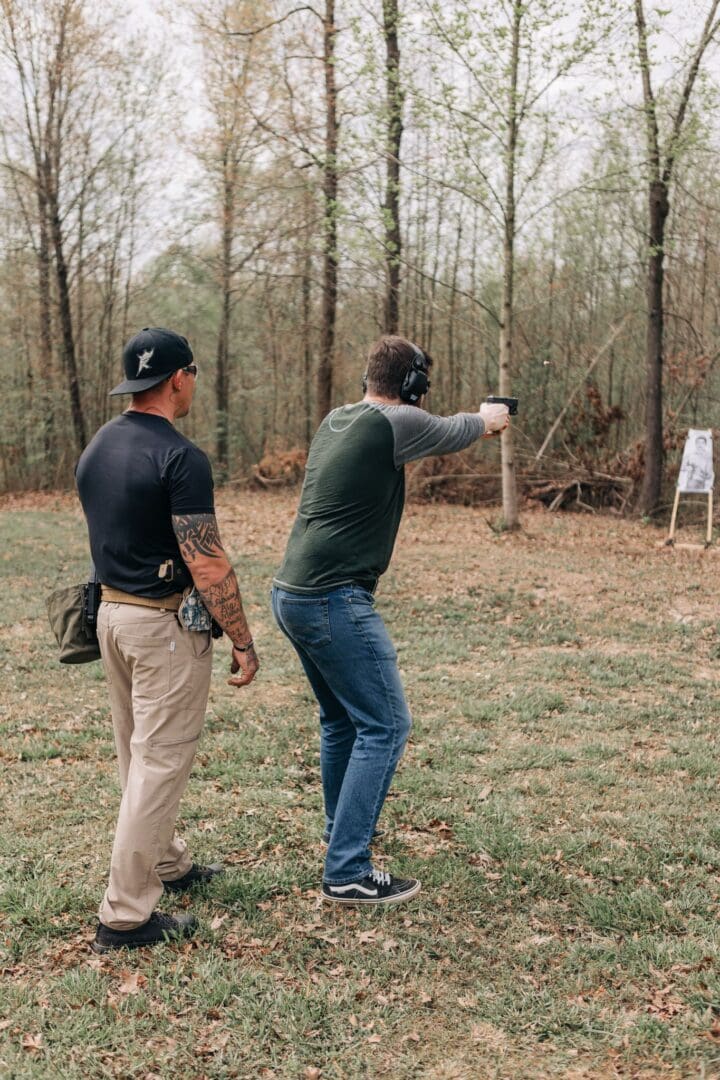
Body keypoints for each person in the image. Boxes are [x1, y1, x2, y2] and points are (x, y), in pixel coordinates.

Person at [271, 335, 509, 906]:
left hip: (292, 593)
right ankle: (348, 869)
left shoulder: (339, 418)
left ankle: (339, 843)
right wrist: (489, 418)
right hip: (333, 598)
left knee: (343, 725)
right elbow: (459, 430)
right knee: (387, 727)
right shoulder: (395, 422)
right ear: (412, 386)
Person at [76, 326, 259, 953]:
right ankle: (124, 916)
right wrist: (242, 637)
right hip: (162, 628)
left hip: (112, 619)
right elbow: (206, 563)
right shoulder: (181, 457)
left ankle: (169, 863)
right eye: (194, 374)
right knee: (159, 761)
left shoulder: (98, 447)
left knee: (139, 753)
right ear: (179, 378)